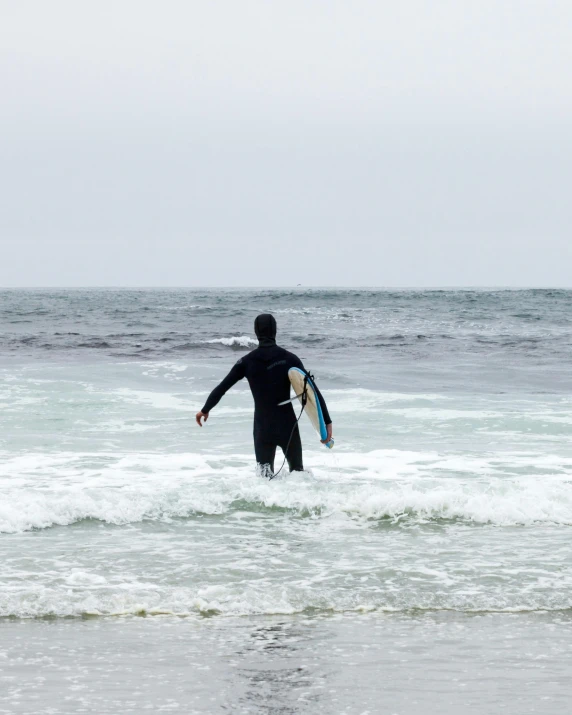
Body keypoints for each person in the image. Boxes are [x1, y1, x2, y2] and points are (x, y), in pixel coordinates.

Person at [196, 314, 332, 476]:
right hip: (287, 426)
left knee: (264, 479)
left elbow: (222, 388)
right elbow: (312, 391)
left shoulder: (246, 361)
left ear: (256, 332)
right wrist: (327, 423)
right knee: (298, 474)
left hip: (262, 428)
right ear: (275, 331)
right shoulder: (289, 358)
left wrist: (205, 409)